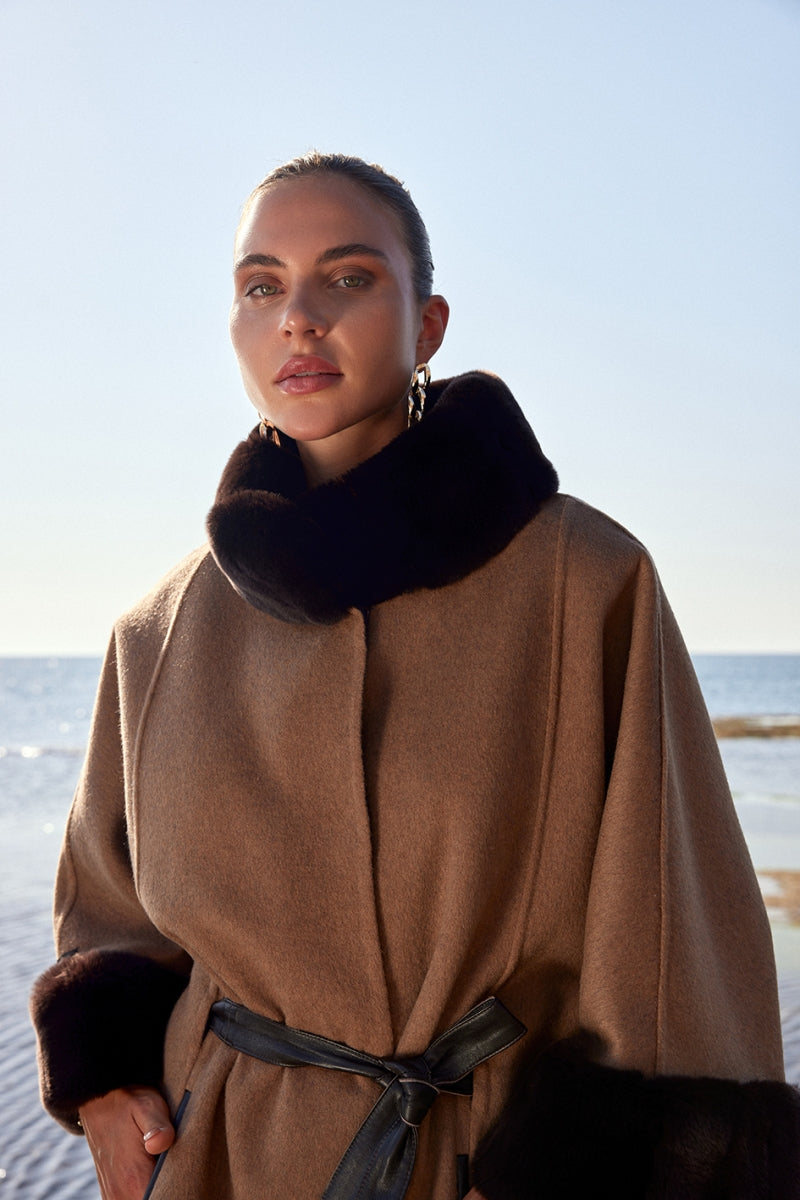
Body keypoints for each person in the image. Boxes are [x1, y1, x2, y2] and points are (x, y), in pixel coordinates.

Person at [31, 152, 800, 1200]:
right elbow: (108, 909)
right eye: (261, 286)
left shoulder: (587, 581)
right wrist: (107, 1083)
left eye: (347, 277)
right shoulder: (157, 632)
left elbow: (670, 938)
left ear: (428, 321)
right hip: (218, 1157)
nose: (297, 318)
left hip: (483, 1160)